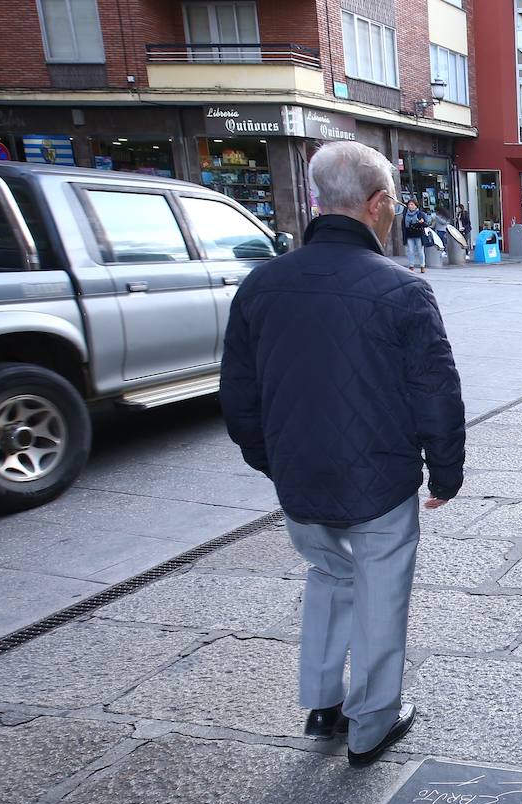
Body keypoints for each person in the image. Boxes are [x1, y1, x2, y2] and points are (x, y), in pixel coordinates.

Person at [220, 141, 466, 766]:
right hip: (377, 474)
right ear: (379, 205)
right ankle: (372, 723)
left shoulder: (262, 283)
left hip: (298, 476)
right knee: (381, 586)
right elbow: (434, 390)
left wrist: (271, 458)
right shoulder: (401, 290)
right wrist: (445, 469)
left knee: (328, 573)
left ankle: (322, 703)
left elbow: (239, 393)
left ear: (317, 202)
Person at [403, 199, 432, 273]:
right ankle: (411, 266)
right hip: (410, 235)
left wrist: (422, 222)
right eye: (409, 205)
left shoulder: (420, 214)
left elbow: (426, 224)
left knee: (420, 251)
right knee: (410, 251)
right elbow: (404, 226)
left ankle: (422, 266)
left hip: (419, 234)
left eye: (412, 204)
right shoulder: (405, 214)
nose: (410, 206)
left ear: (416, 206)